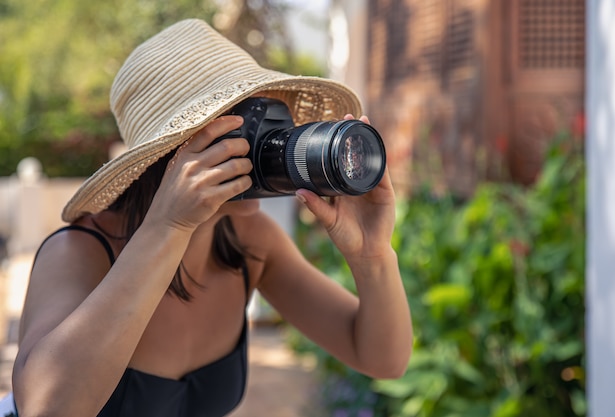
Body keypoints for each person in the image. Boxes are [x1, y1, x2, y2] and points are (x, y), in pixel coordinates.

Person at [10, 19, 413, 417]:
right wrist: (170, 226)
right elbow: (46, 408)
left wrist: (372, 257)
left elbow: (382, 360)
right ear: (173, 152)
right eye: (248, 125)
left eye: (275, 120)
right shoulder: (79, 253)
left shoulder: (249, 241)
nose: (268, 141)